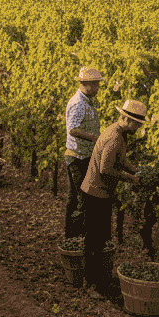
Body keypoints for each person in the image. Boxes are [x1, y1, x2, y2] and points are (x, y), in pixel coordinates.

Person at [80, 99, 145, 298]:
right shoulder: (115, 138)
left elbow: (119, 159)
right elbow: (106, 169)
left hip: (99, 192)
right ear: (126, 119)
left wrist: (135, 170)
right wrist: (130, 178)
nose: (138, 127)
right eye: (136, 123)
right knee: (95, 241)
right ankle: (94, 285)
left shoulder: (119, 134)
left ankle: (97, 281)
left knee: (98, 239)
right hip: (95, 193)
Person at [65, 66, 104, 239]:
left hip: (81, 155)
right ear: (85, 84)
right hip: (78, 157)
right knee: (83, 199)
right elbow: (73, 129)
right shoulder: (79, 103)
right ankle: (79, 238)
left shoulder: (88, 100)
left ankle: (71, 235)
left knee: (74, 197)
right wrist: (94, 138)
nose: (97, 88)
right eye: (95, 84)